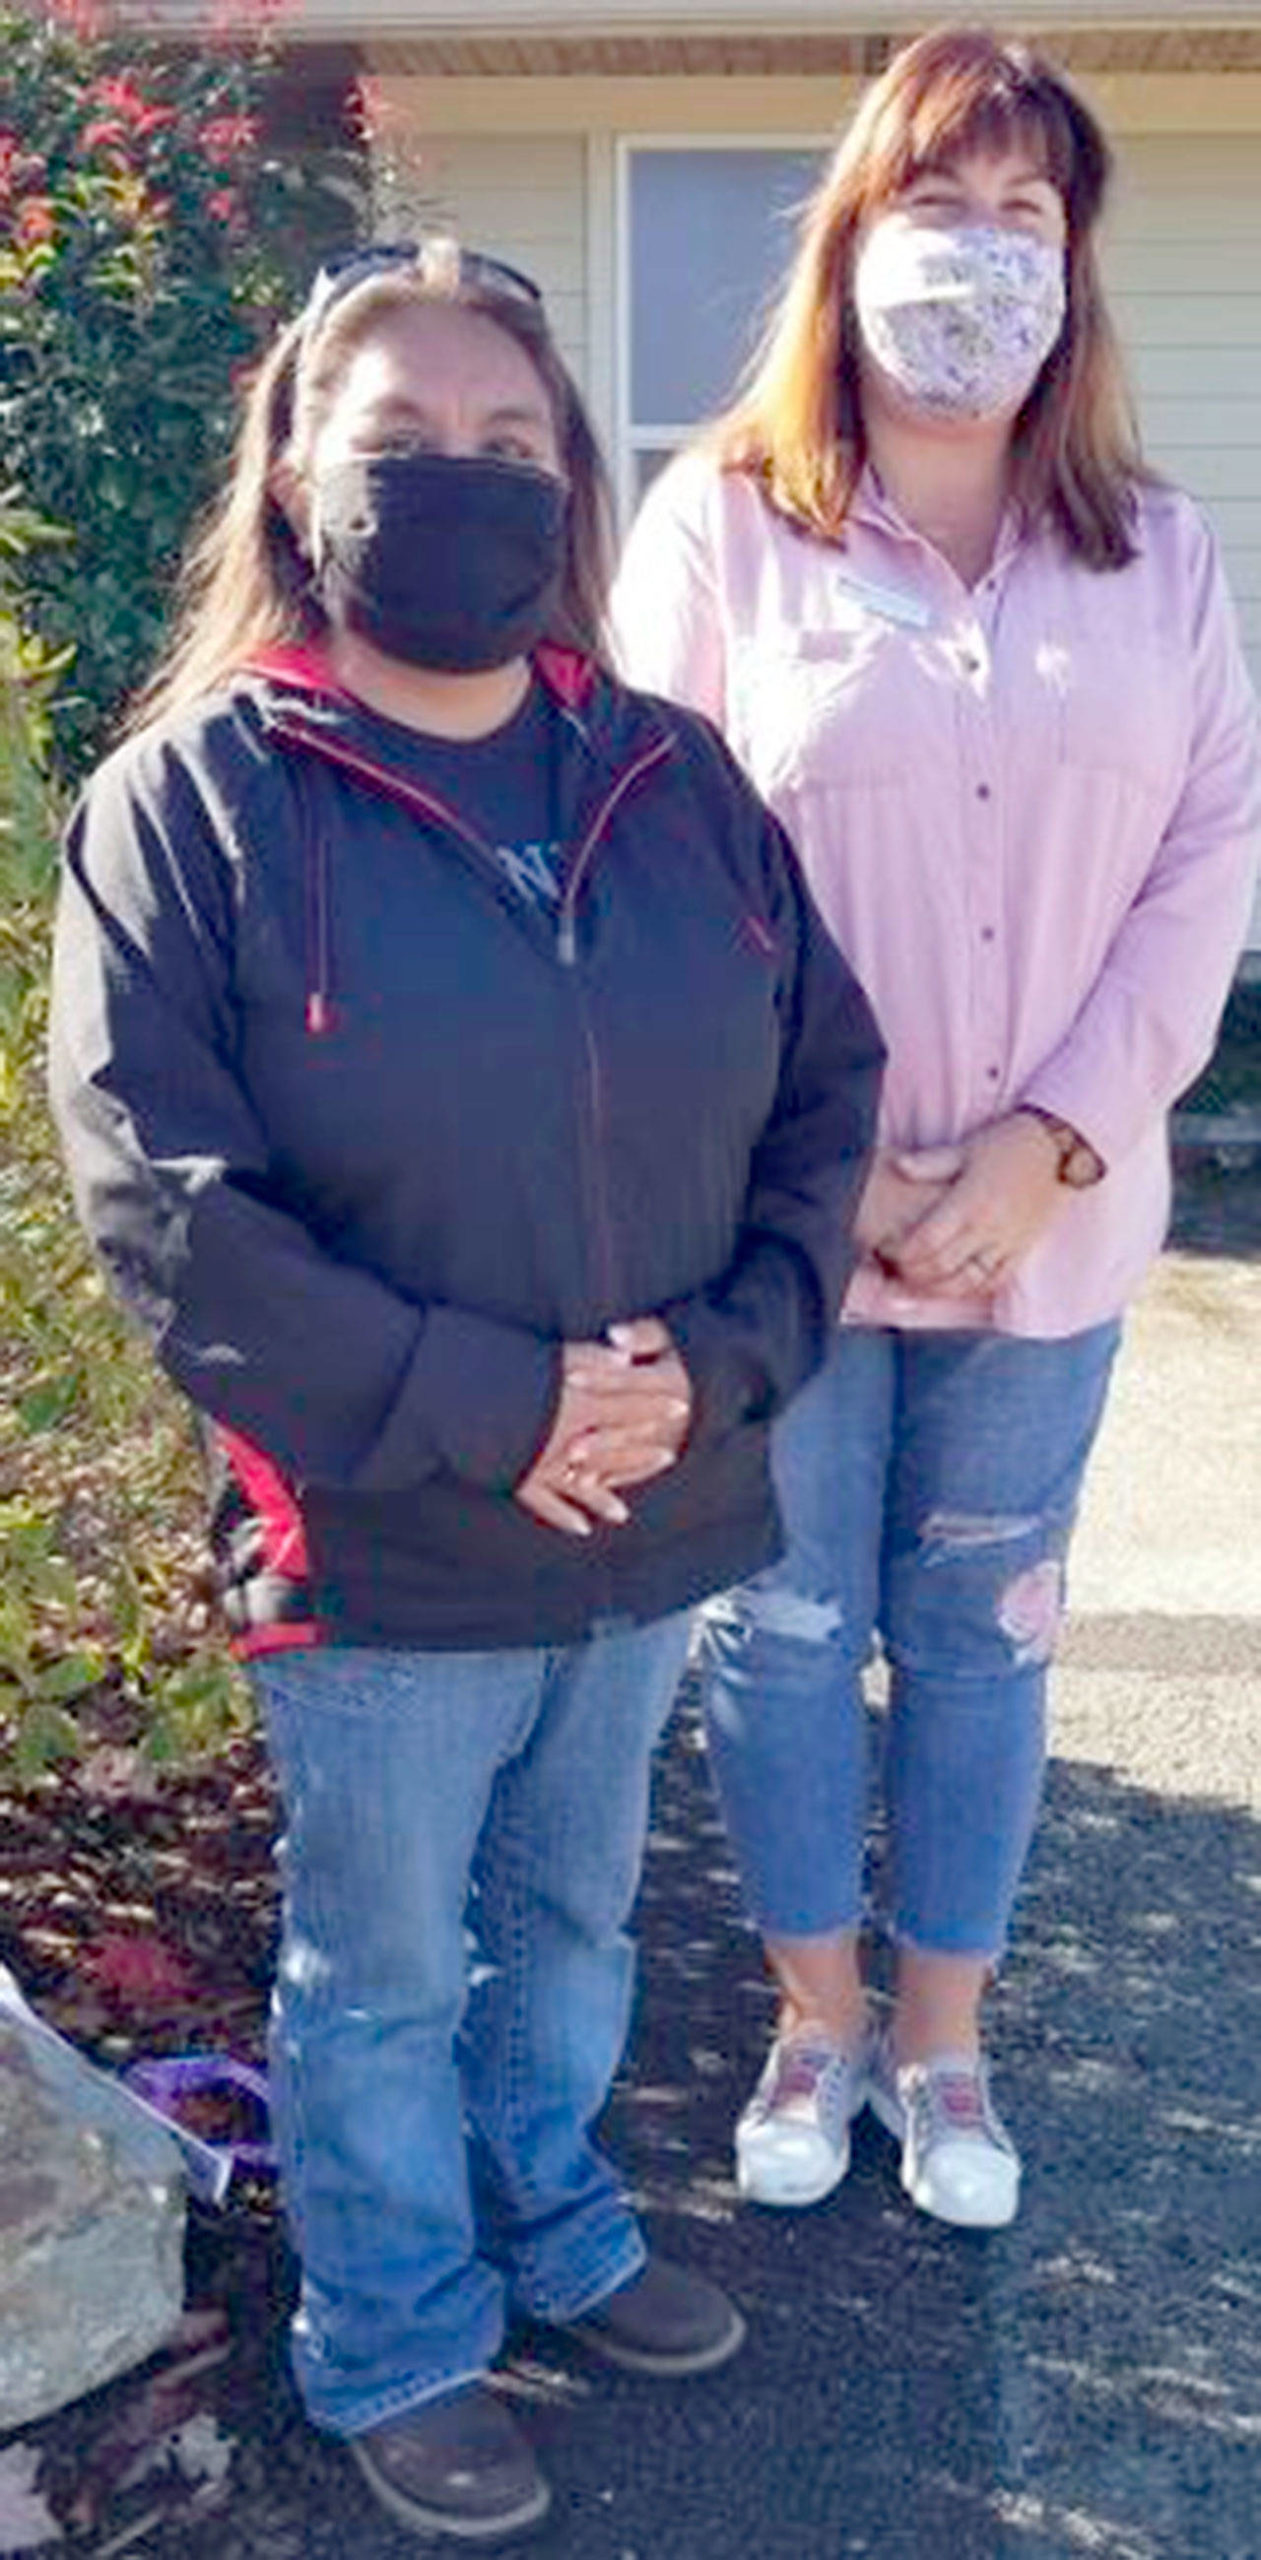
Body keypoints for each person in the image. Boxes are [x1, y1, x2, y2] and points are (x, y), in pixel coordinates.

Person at [47, 237, 882, 2542]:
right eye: (400, 438)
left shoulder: (674, 780)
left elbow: (826, 1094)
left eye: (508, 440)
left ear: (570, 486)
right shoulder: (189, 805)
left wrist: (718, 1365)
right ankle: (400, 2328)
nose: (460, 476)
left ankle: (557, 2223)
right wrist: (499, 1404)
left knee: (581, 1920)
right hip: (389, 1533)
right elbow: (165, 1202)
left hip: (654, 1505)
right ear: (294, 478)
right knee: (388, 1964)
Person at [614, 27, 1259, 2233]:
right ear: (848, 238)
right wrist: (837, 1167)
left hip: (1050, 1232)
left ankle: (940, 2042)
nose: (976, 253)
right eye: (933, 202)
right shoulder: (721, 527)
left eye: (1021, 213)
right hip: (779, 1229)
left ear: (1072, 263)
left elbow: (1207, 861)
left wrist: (1048, 1142)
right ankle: (813, 2019)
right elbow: (654, 868)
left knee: (984, 1630)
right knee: (784, 1629)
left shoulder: (1154, 554)